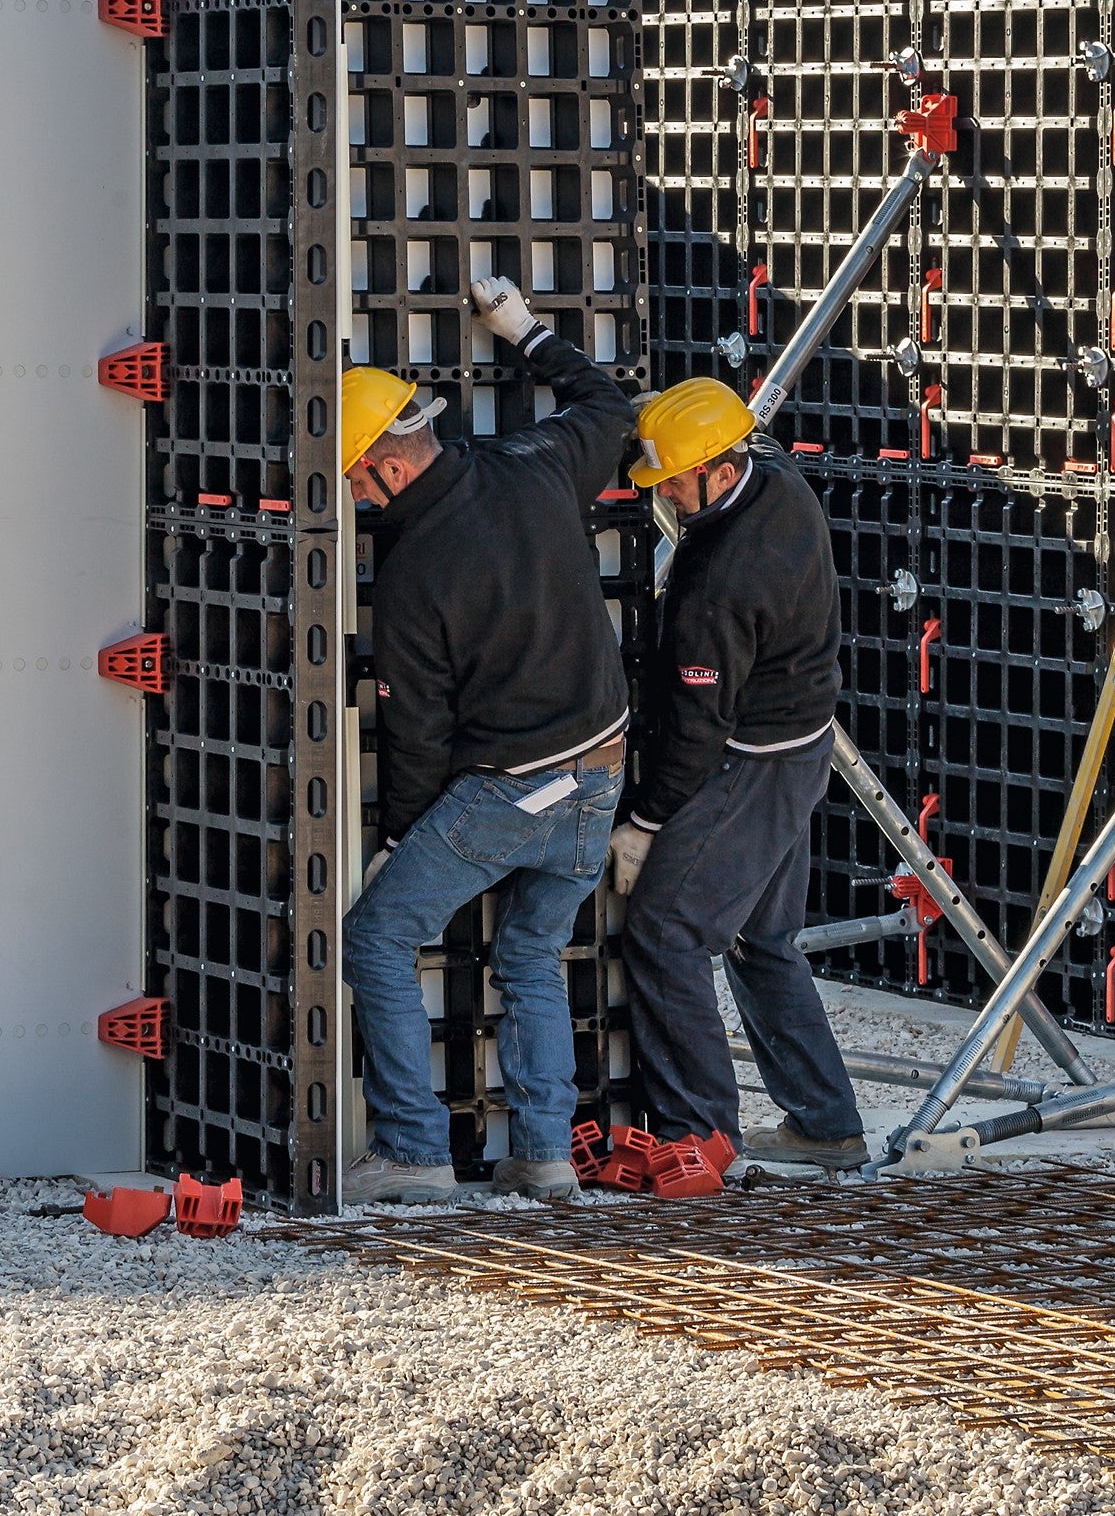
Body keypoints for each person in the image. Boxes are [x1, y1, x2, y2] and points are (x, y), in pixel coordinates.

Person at [339, 275, 636, 1207]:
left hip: (515, 787)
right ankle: (544, 1157)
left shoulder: (415, 572)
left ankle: (414, 1153)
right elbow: (608, 405)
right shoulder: (535, 462)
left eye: (350, 476)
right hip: (604, 768)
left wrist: (397, 841)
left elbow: (418, 735)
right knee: (529, 954)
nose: (350, 495)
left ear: (386, 465)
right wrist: (523, 331)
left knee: (378, 937)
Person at [612, 377, 867, 1172]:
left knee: (666, 928)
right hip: (801, 746)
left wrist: (646, 823)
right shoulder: (777, 475)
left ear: (718, 471)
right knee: (764, 937)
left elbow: (695, 731)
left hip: (750, 765)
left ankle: (701, 1135)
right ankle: (826, 1125)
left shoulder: (718, 580)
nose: (667, 499)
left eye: (674, 484)